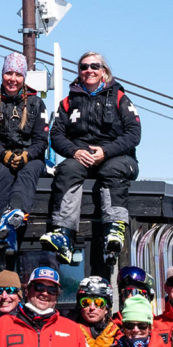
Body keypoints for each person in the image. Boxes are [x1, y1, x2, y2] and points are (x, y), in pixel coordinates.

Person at [44, 52, 140, 263]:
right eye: (84, 67)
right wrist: (75, 152)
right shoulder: (68, 102)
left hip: (117, 157)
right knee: (66, 169)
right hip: (80, 157)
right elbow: (56, 135)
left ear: (103, 71)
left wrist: (106, 152)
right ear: (79, 72)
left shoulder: (119, 98)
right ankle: (64, 235)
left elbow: (134, 133)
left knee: (112, 169)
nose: (89, 71)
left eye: (94, 66)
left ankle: (114, 231)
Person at [0, 52, 50, 255]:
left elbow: (41, 140)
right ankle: (2, 227)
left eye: (17, 75)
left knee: (28, 173)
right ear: (3, 74)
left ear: (24, 78)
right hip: (1, 157)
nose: (13, 79)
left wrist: (26, 155)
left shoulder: (37, 104)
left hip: (31, 157)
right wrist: (5, 155)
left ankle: (16, 212)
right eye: (8, 73)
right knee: (0, 175)